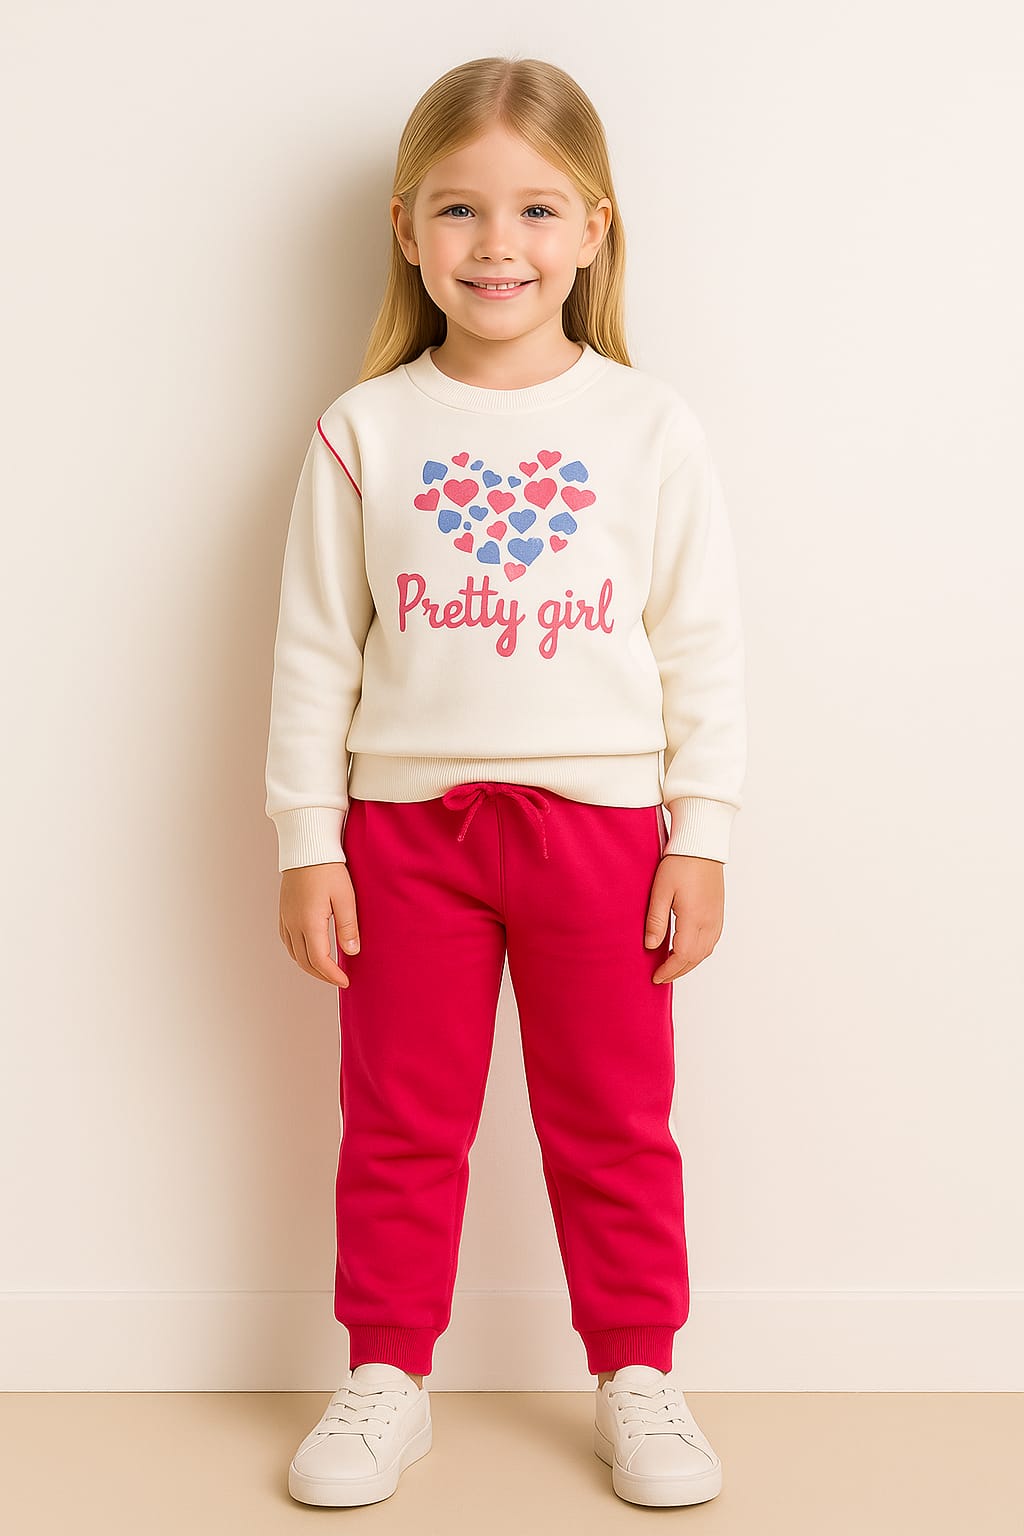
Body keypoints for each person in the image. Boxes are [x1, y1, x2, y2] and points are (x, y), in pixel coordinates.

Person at [265, 54, 746, 1511]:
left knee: (613, 1122)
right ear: (408, 228)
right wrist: (308, 840)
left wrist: (701, 832)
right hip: (406, 836)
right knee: (400, 1123)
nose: (498, 244)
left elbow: (699, 645)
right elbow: (315, 649)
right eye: (461, 209)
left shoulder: (649, 429)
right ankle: (387, 1376)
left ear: (594, 227)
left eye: (537, 209)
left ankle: (637, 1374)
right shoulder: (365, 430)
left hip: (604, 836)